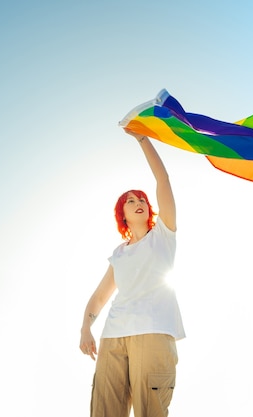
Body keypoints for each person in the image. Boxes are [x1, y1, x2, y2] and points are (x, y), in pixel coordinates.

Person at [79, 129, 185, 417]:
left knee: (150, 412)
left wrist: (142, 138)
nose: (138, 203)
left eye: (142, 200)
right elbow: (99, 298)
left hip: (153, 333)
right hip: (113, 338)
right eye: (130, 201)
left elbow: (163, 180)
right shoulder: (119, 253)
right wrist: (86, 327)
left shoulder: (163, 235)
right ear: (122, 214)